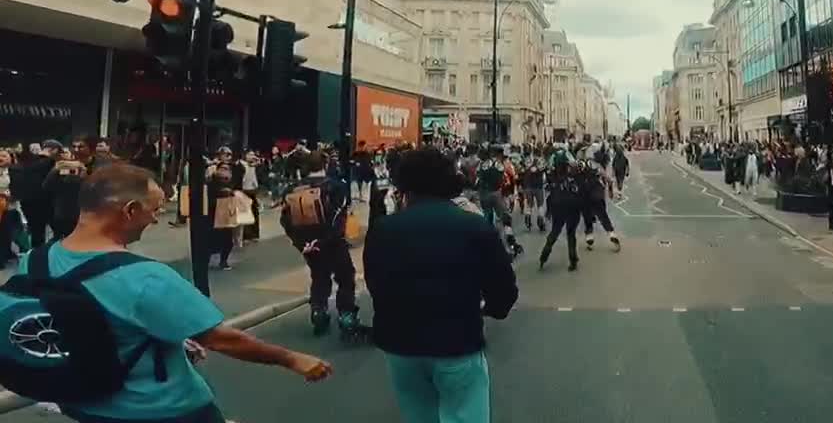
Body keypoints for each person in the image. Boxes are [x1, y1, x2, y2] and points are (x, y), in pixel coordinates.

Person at [14, 163, 331, 423]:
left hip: (85, 406)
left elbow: (87, 321)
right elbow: (222, 339)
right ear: (130, 210)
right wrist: (291, 358)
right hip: (163, 410)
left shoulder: (36, 260)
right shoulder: (146, 277)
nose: (155, 218)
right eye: (153, 210)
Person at [363, 148, 517, 423]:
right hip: (457, 341)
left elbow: (376, 283)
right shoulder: (474, 227)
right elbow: (503, 287)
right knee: (464, 412)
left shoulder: (382, 229)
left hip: (401, 344)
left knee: (419, 415)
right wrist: (492, 308)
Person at [281, 152, 364, 335]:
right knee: (345, 276)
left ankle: (319, 310)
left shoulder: (292, 189)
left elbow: (285, 220)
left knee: (319, 277)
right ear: (325, 164)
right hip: (332, 242)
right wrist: (326, 239)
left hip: (308, 244)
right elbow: (338, 217)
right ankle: (346, 314)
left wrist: (302, 243)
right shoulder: (335, 187)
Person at [539, 146, 582, 271]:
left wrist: (549, 210)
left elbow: (547, 190)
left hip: (557, 204)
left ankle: (544, 255)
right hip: (572, 205)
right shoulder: (574, 175)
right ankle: (573, 259)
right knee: (571, 233)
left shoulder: (551, 177)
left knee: (555, 230)